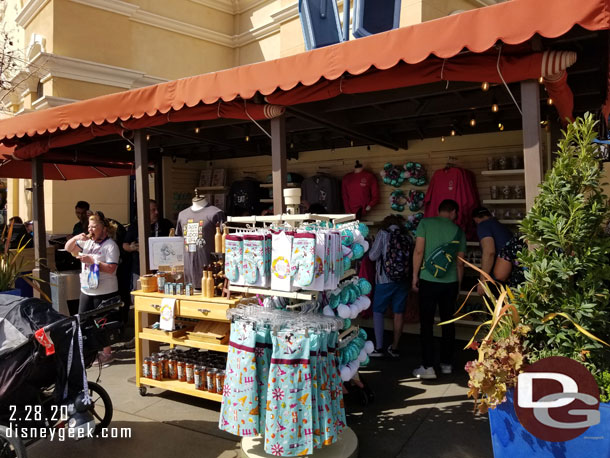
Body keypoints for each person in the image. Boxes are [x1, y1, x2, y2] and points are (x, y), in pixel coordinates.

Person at [411, 199, 466, 379]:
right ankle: (447, 364)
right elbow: (460, 263)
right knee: (448, 322)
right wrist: (458, 285)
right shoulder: (459, 231)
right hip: (449, 283)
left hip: (428, 280)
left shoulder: (425, 223)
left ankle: (427, 366)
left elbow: (419, 251)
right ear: (453, 212)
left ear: (439, 210)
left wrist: (415, 276)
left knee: (426, 324)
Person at [65, 211, 120, 366]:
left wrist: (93, 261)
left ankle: (107, 353)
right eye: (89, 226)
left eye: (94, 227)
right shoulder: (88, 242)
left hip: (105, 290)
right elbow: (68, 248)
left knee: (102, 322)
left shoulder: (110, 246)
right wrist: (76, 238)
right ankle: (89, 351)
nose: (91, 230)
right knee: (83, 319)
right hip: (87, 288)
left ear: (103, 228)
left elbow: (111, 268)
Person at [368, 214, 412, 358]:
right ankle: (395, 347)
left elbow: (372, 256)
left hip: (384, 280)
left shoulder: (383, 234)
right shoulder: (407, 237)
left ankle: (379, 347)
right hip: (403, 280)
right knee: (399, 313)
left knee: (378, 311)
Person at [123, 199, 174, 289]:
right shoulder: (136, 226)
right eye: (153, 210)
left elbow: (174, 241)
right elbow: (125, 245)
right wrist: (132, 248)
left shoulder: (165, 224)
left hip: (162, 268)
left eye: (157, 209)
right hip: (140, 269)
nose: (157, 212)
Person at [472, 207, 512, 295]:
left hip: (495, 279)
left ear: (476, 219)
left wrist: (483, 281)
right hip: (509, 276)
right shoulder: (500, 226)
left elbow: (489, 252)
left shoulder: (483, 225)